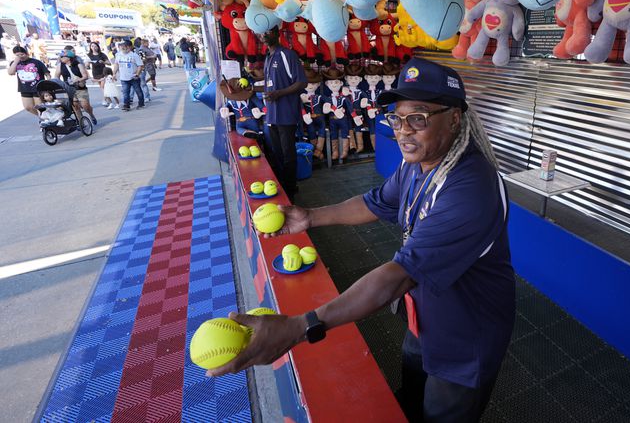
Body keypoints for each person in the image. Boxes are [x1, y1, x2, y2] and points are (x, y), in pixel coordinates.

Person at [209, 59, 514, 423]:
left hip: (466, 334)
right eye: (396, 118)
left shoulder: (471, 188)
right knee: (411, 397)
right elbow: (377, 203)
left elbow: (399, 274)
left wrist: (299, 327)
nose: (403, 131)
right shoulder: (417, 163)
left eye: (418, 117)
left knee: (440, 415)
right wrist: (311, 216)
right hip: (426, 313)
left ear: (453, 118)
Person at [261, 28, 306, 199]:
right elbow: (269, 86)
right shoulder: (268, 57)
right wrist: (250, 89)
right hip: (272, 115)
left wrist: (279, 93)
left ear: (276, 33)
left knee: (288, 154)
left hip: (286, 114)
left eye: (266, 32)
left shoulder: (287, 55)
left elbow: (301, 82)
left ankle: (290, 189)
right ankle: (282, 187)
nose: (263, 36)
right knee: (277, 153)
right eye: (260, 34)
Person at [7, 45, 50, 118]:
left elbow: (47, 74)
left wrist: (48, 85)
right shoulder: (15, 63)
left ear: (26, 53)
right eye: (18, 55)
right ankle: (43, 118)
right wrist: (15, 62)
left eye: (22, 54)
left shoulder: (36, 62)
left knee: (40, 108)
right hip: (24, 88)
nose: (21, 56)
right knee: (28, 107)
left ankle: (45, 122)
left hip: (38, 87)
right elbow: (11, 73)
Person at [58, 49, 96, 124]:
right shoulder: (60, 66)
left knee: (85, 106)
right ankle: (81, 123)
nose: (60, 58)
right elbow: (56, 76)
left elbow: (85, 76)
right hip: (69, 89)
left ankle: (91, 115)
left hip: (80, 87)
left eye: (62, 56)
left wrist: (78, 79)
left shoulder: (78, 64)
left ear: (68, 58)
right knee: (75, 106)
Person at [113, 40, 145, 111]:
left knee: (138, 91)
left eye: (125, 47)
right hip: (123, 78)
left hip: (134, 77)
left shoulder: (134, 55)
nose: (124, 48)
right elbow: (116, 64)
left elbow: (140, 66)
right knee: (125, 93)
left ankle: (141, 103)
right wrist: (114, 73)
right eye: (122, 47)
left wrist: (137, 74)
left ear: (129, 47)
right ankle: (126, 105)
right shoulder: (118, 55)